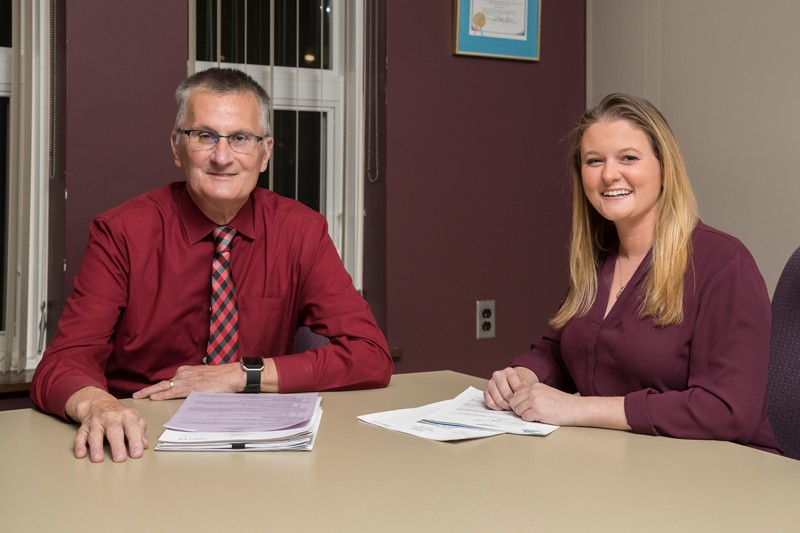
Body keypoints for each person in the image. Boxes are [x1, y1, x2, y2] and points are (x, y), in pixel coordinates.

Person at [31, 67, 393, 462]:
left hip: (258, 444)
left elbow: (371, 355)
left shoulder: (301, 231)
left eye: (240, 138)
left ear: (265, 152)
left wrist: (241, 375)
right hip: (142, 440)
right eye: (204, 136)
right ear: (176, 146)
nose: (222, 157)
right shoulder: (121, 233)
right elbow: (62, 363)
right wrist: (99, 407)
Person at [483, 93, 781, 454]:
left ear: (664, 167)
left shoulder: (724, 263)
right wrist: (524, 375)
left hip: (720, 476)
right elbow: (562, 349)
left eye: (628, 158)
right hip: (627, 463)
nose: (609, 174)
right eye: (594, 161)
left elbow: (727, 410)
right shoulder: (600, 258)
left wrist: (578, 408)